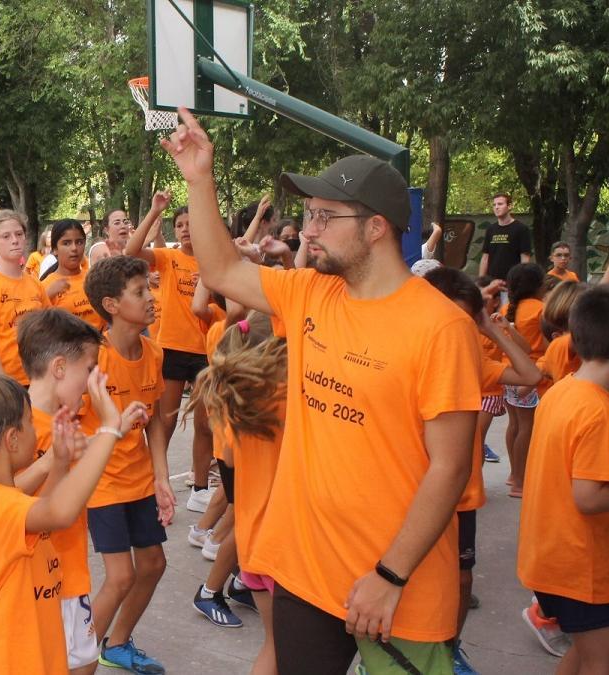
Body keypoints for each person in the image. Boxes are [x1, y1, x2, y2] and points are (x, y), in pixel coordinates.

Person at [163, 108, 481, 673]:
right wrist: (198, 177)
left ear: (375, 227)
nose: (307, 231)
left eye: (323, 217)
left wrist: (389, 576)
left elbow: (450, 467)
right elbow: (220, 268)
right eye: (308, 215)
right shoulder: (311, 293)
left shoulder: (441, 326)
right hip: (307, 570)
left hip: (398, 584)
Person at [0, 370, 128, 674]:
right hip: (5, 660)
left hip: (33, 654)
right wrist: (109, 430)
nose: (36, 430)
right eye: (29, 423)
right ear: (12, 439)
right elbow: (60, 512)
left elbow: (44, 517)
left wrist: (60, 464)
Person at [422, 266, 545, 673]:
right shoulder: (408, 354)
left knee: (461, 580)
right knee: (414, 580)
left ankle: (449, 650)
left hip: (462, 495)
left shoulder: (472, 357)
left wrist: (491, 331)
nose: (454, 329)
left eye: (463, 320)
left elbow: (530, 376)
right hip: (412, 491)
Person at [18, 308, 148, 675]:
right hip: (40, 579)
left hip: (69, 571)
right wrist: (49, 463)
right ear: (60, 368)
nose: (93, 380)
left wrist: (114, 428)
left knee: (84, 663)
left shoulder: (59, 423)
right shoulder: (18, 428)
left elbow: (75, 454)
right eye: (89, 369)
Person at [82, 255, 173, 674]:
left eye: (148, 289)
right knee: (119, 578)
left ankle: (115, 644)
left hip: (138, 479)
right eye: (139, 292)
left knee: (153, 564)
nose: (150, 298)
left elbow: (154, 421)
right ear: (112, 305)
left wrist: (162, 477)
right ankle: (74, 661)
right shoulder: (91, 362)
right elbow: (60, 426)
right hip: (102, 483)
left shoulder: (153, 353)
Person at [517, 286, 609, 674]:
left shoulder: (561, 391)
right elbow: (587, 497)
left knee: (583, 650)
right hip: (582, 567)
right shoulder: (599, 411)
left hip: (550, 559)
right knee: (600, 661)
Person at [188, 311, 286, 672]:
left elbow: (229, 466)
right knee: (288, 652)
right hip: (279, 546)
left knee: (275, 649)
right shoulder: (284, 404)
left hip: (251, 546)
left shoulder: (233, 406)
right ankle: (211, 591)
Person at [125, 193, 219, 513]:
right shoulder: (168, 258)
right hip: (172, 348)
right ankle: (155, 484)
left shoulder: (213, 260)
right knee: (164, 422)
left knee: (205, 424)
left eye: (191, 224)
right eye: (179, 225)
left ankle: (201, 486)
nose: (184, 229)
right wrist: (153, 212)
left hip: (206, 351)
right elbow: (131, 251)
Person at [0, 210, 50, 385]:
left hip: (35, 378)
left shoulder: (35, 285)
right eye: (6, 236)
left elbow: (49, 333)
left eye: (19, 234)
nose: (14, 240)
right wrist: (9, 390)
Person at [502, 262, 547, 498]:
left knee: (515, 425)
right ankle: (520, 481)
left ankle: (514, 474)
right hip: (530, 372)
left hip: (509, 372)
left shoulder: (507, 307)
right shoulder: (541, 309)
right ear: (538, 285)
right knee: (526, 427)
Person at [42, 219, 103, 330]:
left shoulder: (95, 280)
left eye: (79, 242)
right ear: (55, 249)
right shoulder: (46, 287)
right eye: (66, 243)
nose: (74, 248)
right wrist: (47, 296)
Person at [478, 193, 532, 281]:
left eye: (500, 204)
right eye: (494, 205)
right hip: (491, 281)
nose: (496, 207)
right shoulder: (490, 229)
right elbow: (485, 258)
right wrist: (480, 281)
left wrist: (522, 280)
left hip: (512, 281)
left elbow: (525, 259)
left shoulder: (521, 229)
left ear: (509, 206)